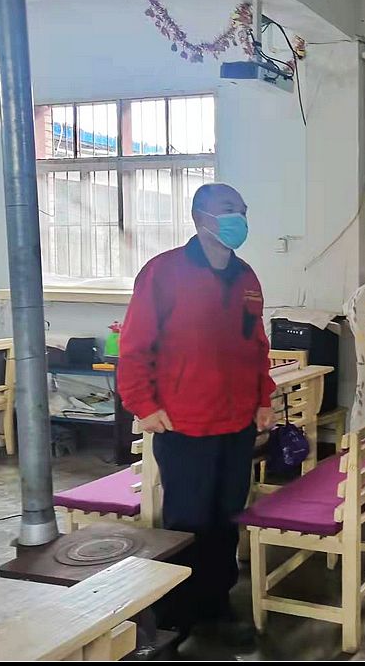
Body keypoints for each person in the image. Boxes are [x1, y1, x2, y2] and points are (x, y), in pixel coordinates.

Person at [118, 182, 277, 647]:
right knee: (188, 522)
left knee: (226, 519)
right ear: (199, 216)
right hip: (183, 422)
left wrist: (263, 399)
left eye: (242, 209)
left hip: (237, 422)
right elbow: (135, 344)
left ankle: (215, 605)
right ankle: (176, 617)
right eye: (228, 208)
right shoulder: (163, 272)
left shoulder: (246, 276)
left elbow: (256, 346)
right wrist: (143, 405)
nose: (238, 217)